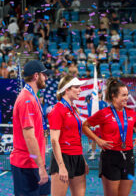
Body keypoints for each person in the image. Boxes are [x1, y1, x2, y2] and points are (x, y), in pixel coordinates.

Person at [82, 78, 136, 196]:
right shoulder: (104, 113)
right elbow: (85, 126)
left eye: (127, 95)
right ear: (113, 96)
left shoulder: (131, 112)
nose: (127, 98)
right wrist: (98, 140)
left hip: (128, 157)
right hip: (110, 157)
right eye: (123, 95)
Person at [10, 60, 51, 196]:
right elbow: (29, 137)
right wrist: (40, 167)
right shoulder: (27, 99)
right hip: (26, 165)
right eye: (44, 75)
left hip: (32, 163)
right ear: (36, 76)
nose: (46, 78)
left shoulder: (32, 98)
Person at [47, 75, 88, 195]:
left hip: (78, 157)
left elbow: (76, 136)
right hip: (63, 157)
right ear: (67, 89)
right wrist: (61, 166)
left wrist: (83, 159)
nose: (80, 90)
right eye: (76, 87)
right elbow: (54, 140)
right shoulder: (57, 110)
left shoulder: (73, 109)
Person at [88, 90, 109, 160]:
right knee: (94, 139)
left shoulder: (104, 103)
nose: (99, 94)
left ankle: (102, 153)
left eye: (100, 93)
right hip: (94, 124)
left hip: (102, 125)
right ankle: (93, 154)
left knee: (102, 139)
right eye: (98, 93)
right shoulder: (92, 102)